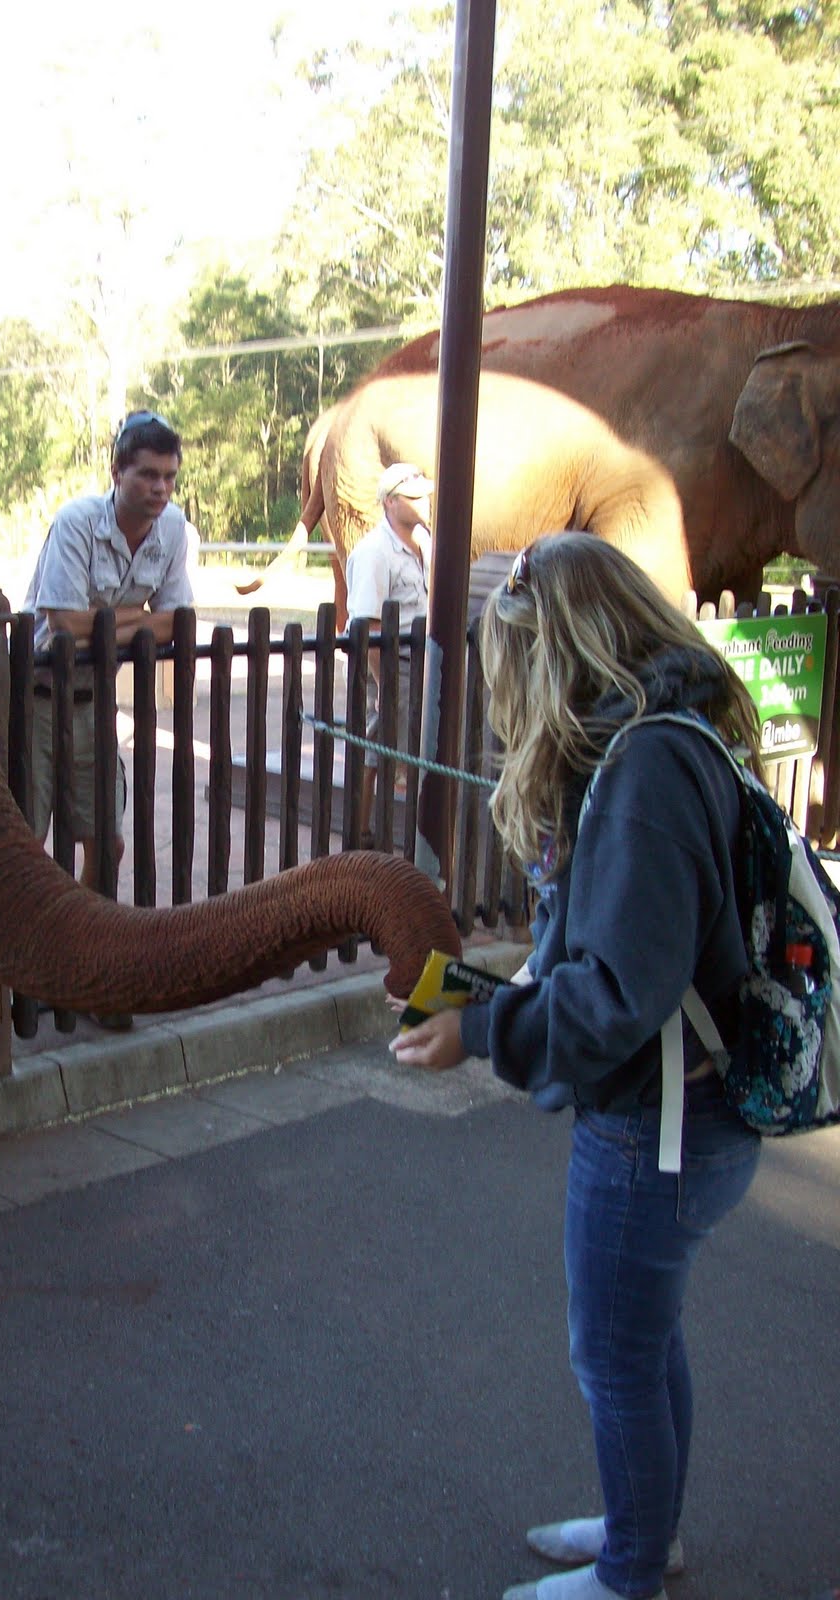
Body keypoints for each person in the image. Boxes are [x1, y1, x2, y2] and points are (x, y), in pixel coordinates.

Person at [390, 531, 762, 1600]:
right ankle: (646, 1527)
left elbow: (615, 999)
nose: (506, 703)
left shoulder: (646, 773)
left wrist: (480, 1032)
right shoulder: (660, 740)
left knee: (612, 1353)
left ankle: (630, 1568)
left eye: (511, 670)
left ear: (555, 652)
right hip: (686, 1112)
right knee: (643, 1339)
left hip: (658, 1125)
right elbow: (603, 942)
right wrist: (486, 997)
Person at [23, 408, 195, 895]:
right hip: (36, 701)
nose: (160, 488)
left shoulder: (173, 528)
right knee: (26, 845)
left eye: (169, 477)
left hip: (95, 703)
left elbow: (177, 622)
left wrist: (102, 623)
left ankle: (84, 928)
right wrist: (139, 618)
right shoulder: (77, 522)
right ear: (117, 472)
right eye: (148, 474)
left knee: (107, 843)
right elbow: (63, 623)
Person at [345, 461, 433, 848]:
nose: (423, 501)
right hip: (386, 662)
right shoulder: (374, 552)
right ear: (390, 502)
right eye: (413, 497)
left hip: (417, 661)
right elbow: (366, 624)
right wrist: (384, 683)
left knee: (411, 744)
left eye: (424, 495)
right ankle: (361, 835)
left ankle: (409, 834)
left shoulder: (425, 543)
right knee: (374, 746)